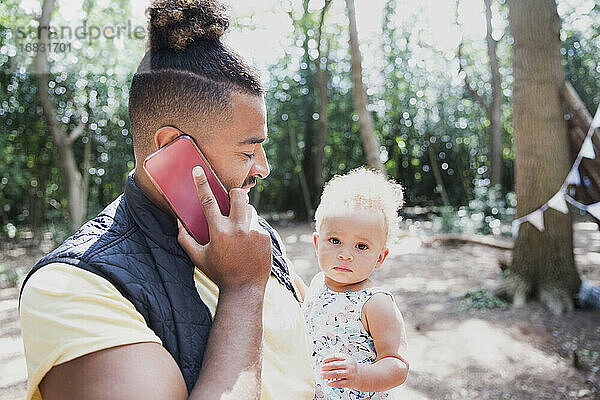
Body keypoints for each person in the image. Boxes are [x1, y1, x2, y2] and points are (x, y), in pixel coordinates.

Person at [18, 1, 314, 399]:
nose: (263, 169)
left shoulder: (252, 237)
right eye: (247, 152)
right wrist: (242, 289)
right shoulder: (71, 287)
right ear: (174, 147)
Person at [301, 168, 409, 399]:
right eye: (335, 240)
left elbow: (397, 364)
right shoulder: (318, 283)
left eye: (361, 246)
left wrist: (360, 375)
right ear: (317, 242)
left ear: (380, 257)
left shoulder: (375, 303)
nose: (345, 254)